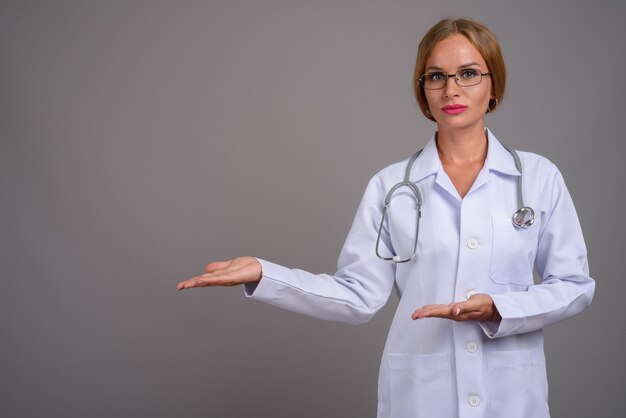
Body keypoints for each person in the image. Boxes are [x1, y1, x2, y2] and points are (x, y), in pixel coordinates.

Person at [177, 18, 595, 418]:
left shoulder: (537, 178)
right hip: (421, 395)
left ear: (493, 86)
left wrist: (499, 308)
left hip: (512, 395)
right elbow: (357, 296)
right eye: (436, 76)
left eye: (468, 73)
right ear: (423, 90)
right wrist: (263, 274)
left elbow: (574, 287)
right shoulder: (392, 186)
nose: (451, 89)